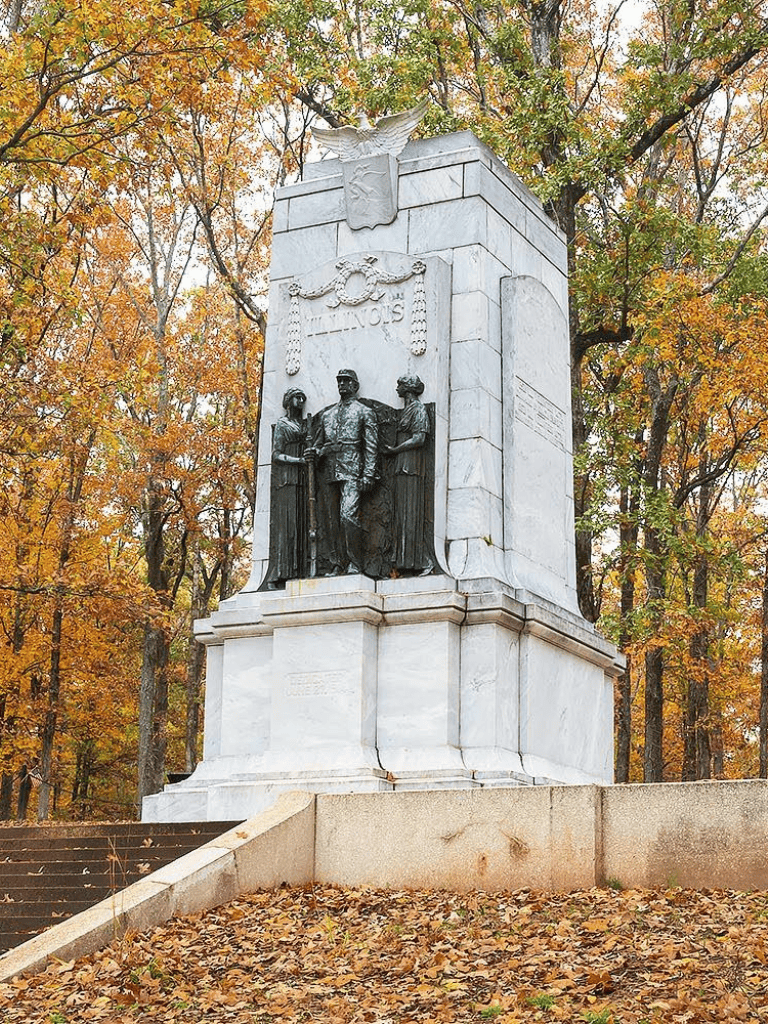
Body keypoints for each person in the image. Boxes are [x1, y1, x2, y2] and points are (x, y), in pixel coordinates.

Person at [310, 369, 378, 575]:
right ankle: (336, 562)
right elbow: (319, 444)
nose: (342, 385)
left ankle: (355, 562)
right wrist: (315, 452)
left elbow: (371, 446)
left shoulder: (364, 411)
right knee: (331, 521)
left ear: (355, 385)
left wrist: (368, 473)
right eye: (339, 381)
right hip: (331, 471)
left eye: (347, 381)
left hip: (353, 469)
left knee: (347, 516)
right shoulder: (327, 415)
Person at [383, 374, 434, 576]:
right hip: (402, 466)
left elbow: (420, 438)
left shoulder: (419, 409)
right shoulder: (406, 409)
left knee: (411, 512)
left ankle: (423, 560)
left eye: (400, 385)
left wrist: (395, 450)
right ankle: (403, 560)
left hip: (412, 465)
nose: (397, 388)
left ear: (409, 388)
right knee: (402, 513)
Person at [268, 388, 309, 586]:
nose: (300, 401)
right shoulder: (283, 425)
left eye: (302, 398)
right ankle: (283, 570)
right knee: (288, 524)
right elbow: (276, 455)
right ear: (288, 400)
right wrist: (298, 460)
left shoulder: (303, 424)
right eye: (296, 397)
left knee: (300, 524)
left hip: (302, 480)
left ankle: (299, 567)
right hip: (287, 478)